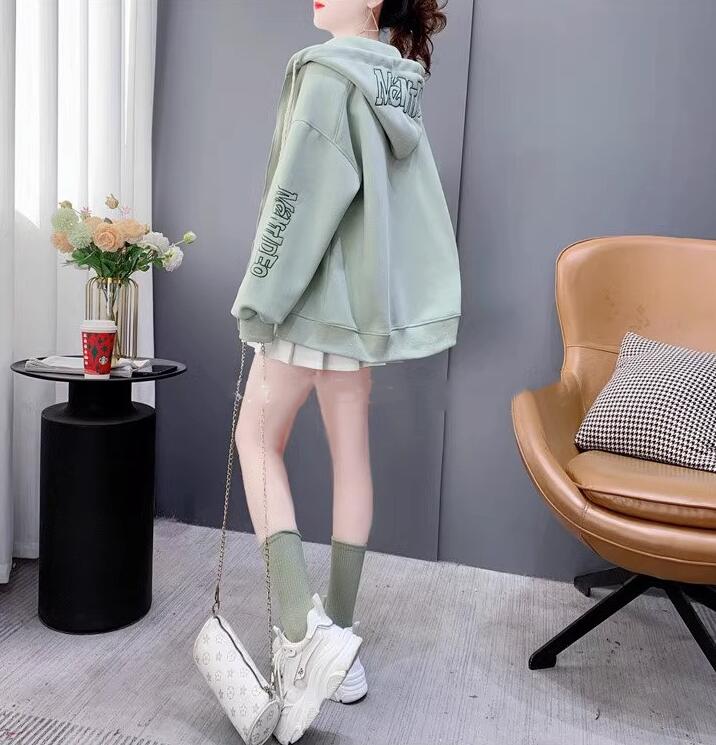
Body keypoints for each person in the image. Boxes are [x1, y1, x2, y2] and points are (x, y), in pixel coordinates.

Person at [231, 1, 460, 742]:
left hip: (308, 306)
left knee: (255, 439)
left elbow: (297, 203)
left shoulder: (326, 74)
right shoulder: (398, 80)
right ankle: (343, 645)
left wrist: (262, 295)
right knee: (351, 459)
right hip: (360, 312)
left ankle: (302, 638)